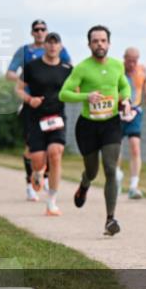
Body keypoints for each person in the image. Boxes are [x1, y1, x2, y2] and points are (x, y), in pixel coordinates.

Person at [58, 25, 132, 236]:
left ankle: (110, 219)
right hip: (88, 126)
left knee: (110, 169)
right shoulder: (82, 68)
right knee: (92, 170)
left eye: (103, 40)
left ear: (109, 43)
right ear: (89, 44)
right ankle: (84, 183)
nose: (99, 44)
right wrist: (86, 97)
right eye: (95, 41)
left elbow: (124, 86)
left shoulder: (118, 65)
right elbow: (64, 94)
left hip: (110, 123)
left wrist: (125, 99)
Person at [6, 20, 71, 201]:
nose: (40, 32)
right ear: (32, 32)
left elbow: (69, 71)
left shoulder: (59, 50)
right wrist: (28, 78)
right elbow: (10, 73)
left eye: (43, 29)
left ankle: (48, 180)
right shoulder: (25, 52)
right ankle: (31, 182)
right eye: (37, 29)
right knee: (32, 150)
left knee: (54, 150)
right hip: (30, 105)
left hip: (54, 107)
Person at [117, 47, 146, 199]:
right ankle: (116, 176)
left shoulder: (142, 70)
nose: (132, 64)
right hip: (117, 112)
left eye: (135, 61)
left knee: (135, 147)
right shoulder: (117, 70)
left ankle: (133, 186)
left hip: (135, 112)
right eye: (129, 60)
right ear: (124, 58)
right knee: (115, 149)